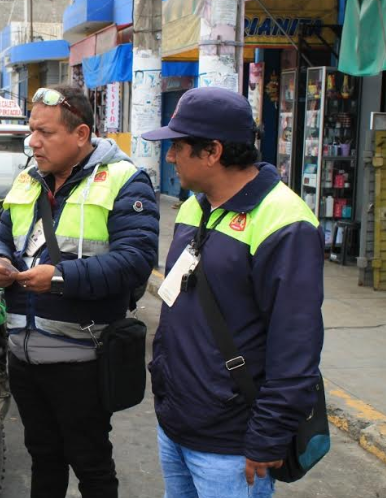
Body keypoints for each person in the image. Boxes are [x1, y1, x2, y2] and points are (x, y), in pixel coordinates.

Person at [141, 87, 325, 497]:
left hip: (232, 444)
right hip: (177, 424)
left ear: (212, 152)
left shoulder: (285, 220)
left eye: (178, 146)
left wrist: (268, 435)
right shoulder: (194, 206)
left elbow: (296, 344)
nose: (170, 156)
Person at [0, 85, 159, 498]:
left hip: (83, 357)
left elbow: (135, 260)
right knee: (43, 457)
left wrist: (60, 278)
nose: (33, 142)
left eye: (45, 133)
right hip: (24, 353)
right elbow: (1, 235)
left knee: (91, 463)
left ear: (81, 135)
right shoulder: (29, 180)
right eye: (31, 131)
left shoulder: (124, 180)